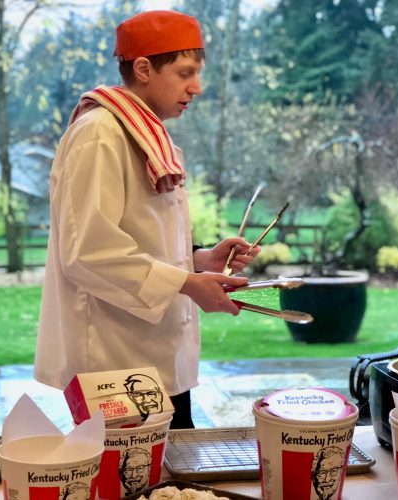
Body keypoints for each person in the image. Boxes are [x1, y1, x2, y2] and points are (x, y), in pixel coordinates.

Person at [34, 9, 259, 429]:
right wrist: (189, 285)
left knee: (169, 483)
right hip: (114, 361)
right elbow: (87, 252)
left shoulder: (143, 131)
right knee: (135, 488)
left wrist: (200, 261)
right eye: (185, 72)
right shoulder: (99, 133)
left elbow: (140, 236)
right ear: (142, 68)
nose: (197, 87)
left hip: (155, 356)